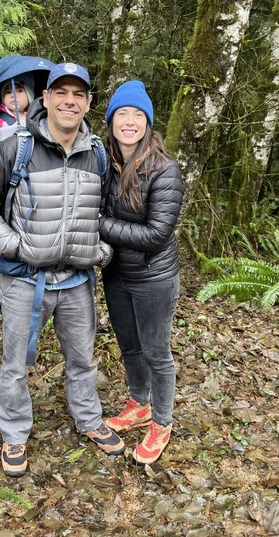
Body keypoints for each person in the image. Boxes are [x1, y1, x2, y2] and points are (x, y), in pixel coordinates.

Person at [0, 62, 124, 477]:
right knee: (15, 364)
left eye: (78, 95)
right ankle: (14, 434)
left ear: (88, 103)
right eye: (61, 93)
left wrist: (101, 250)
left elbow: (106, 212)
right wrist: (18, 247)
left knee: (83, 359)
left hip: (76, 281)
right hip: (23, 280)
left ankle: (89, 420)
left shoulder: (97, 155)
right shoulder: (16, 149)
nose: (69, 101)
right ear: (46, 98)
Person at [99, 80, 184, 465]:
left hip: (153, 278)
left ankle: (162, 422)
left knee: (156, 352)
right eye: (122, 114)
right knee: (129, 346)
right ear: (111, 121)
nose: (129, 121)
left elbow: (155, 235)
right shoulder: (105, 162)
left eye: (137, 115)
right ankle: (140, 402)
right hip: (117, 273)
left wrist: (98, 224)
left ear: (147, 123)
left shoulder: (164, 169)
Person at [0, 74, 35, 142]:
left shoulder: (35, 117)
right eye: (8, 92)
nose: (13, 95)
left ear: (29, 96)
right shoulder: (0, 121)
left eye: (20, 91)